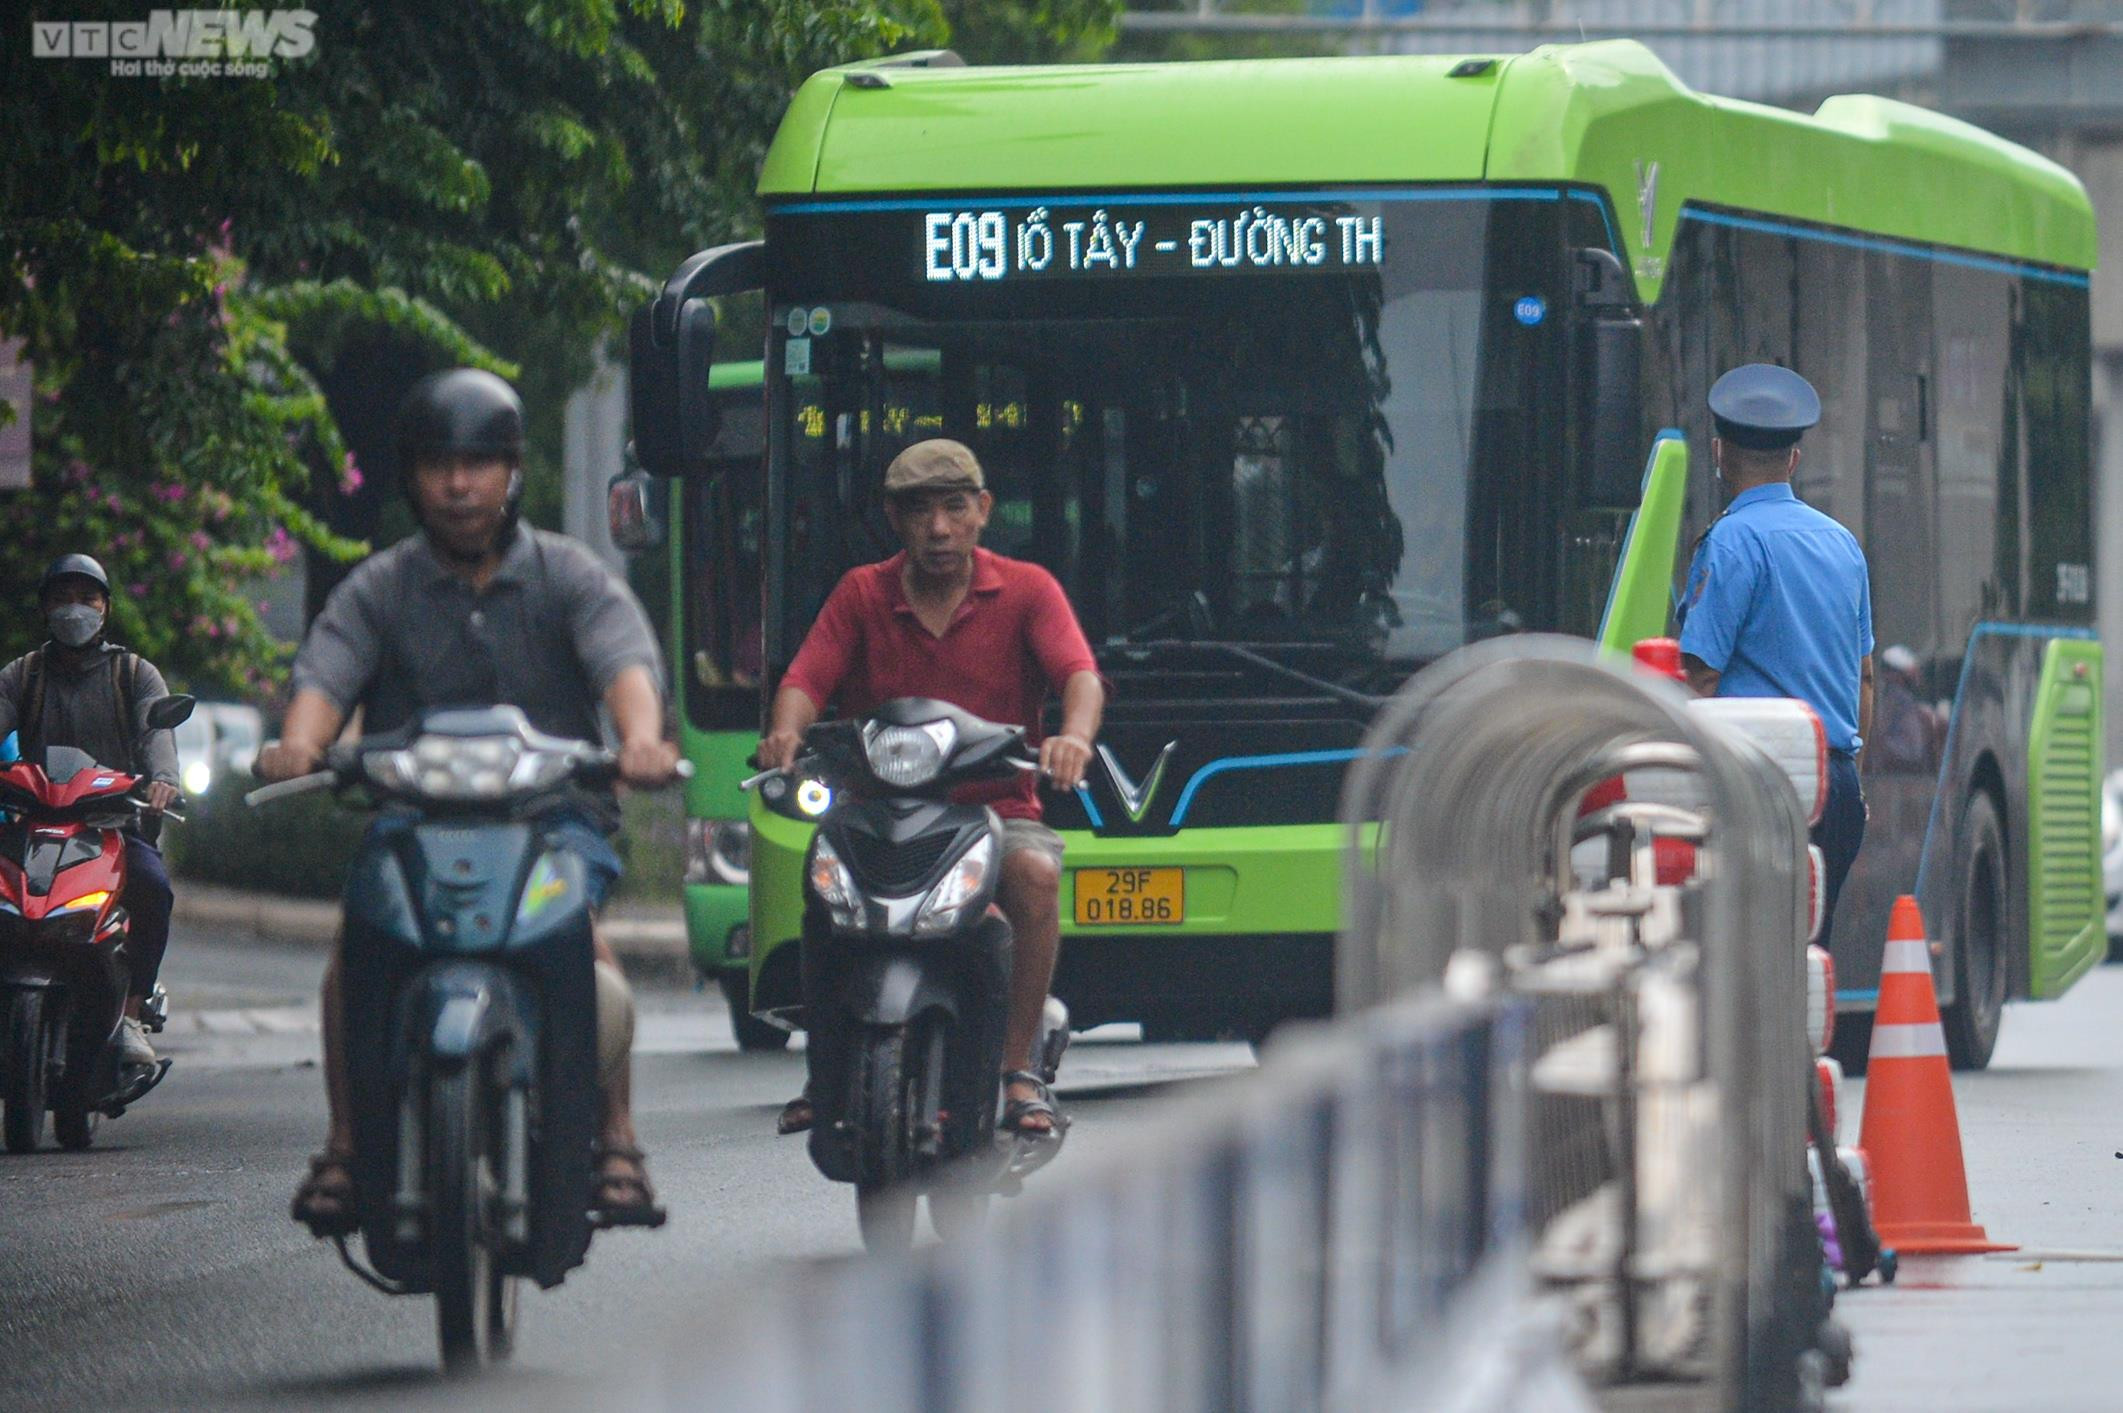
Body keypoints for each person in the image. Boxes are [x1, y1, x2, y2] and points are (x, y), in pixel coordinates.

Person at [259, 369, 680, 1230]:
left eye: (479, 463)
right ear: (412, 477)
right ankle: (344, 1145)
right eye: (440, 465)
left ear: (514, 470)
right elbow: (325, 674)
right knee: (354, 950)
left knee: (584, 942)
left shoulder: (569, 575)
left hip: (554, 820)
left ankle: (619, 1142)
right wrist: (301, 740)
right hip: (414, 826)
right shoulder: (381, 586)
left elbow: (624, 664)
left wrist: (639, 737)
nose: (459, 484)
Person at [759, 438, 1104, 1138]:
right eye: (919, 511)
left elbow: (1079, 674)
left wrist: (1073, 736)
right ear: (894, 517)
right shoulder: (861, 592)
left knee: (1036, 875)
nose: (938, 528)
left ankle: (1017, 1069)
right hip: (878, 813)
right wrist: (785, 734)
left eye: (954, 508)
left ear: (982, 511)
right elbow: (804, 679)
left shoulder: (1028, 589)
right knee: (821, 880)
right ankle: (823, 1071)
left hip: (996, 811)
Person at [1678, 363, 1874, 936]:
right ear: (1794, 459)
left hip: (1755, 788)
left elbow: (1701, 680)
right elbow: (1864, 680)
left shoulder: (1731, 542)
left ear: (1718, 453)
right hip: (1833, 787)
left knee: (1745, 968)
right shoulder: (1842, 544)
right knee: (1808, 962)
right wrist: (1848, 781)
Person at [0, 554, 182, 1074]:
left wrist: (164, 780)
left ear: (106, 608)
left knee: (153, 888)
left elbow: (157, 735)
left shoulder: (135, 673)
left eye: (87, 598)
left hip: (113, 827)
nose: (73, 610)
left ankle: (129, 1014)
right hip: (32, 825)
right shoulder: (22, 675)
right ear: (44, 609)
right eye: (61, 599)